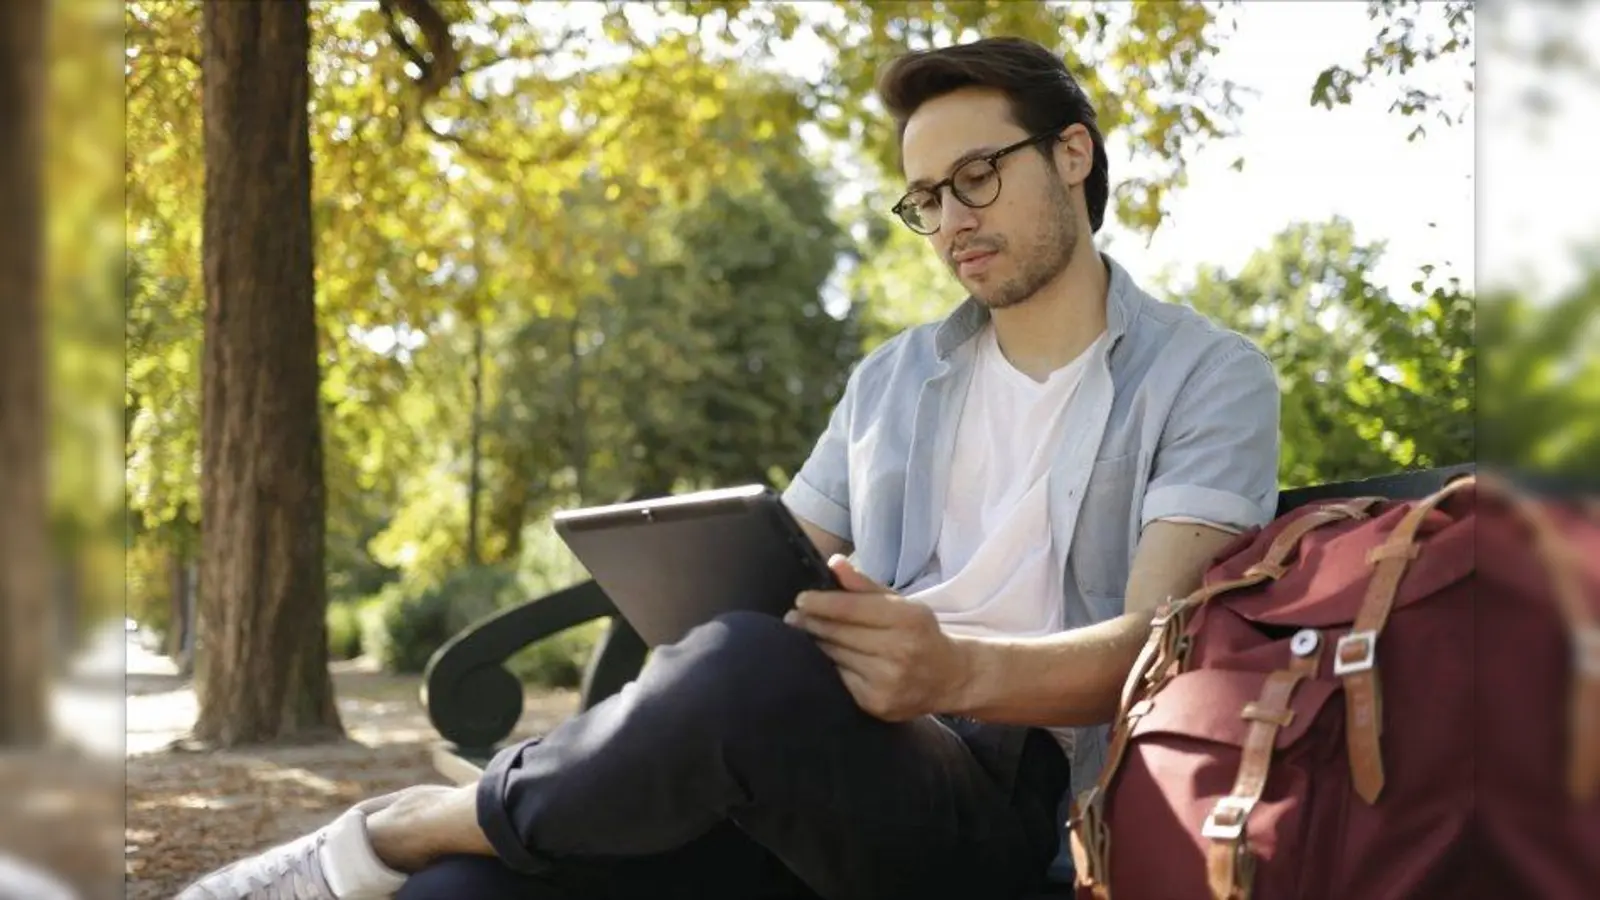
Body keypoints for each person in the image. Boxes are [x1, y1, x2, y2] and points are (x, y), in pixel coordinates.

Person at [179, 35, 1279, 900]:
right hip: (808, 759)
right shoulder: (896, 378)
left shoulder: (1206, 377)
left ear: (1073, 155)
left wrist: (957, 674)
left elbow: (1158, 649)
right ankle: (443, 840)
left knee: (747, 674)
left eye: (977, 178)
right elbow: (788, 563)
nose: (949, 222)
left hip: (1018, 803)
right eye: (925, 200)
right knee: (465, 891)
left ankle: (403, 822)